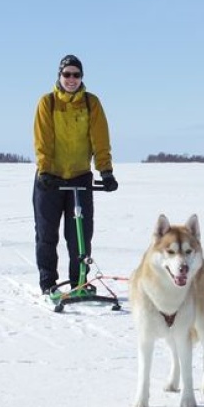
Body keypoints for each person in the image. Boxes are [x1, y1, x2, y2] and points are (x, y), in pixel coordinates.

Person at [33, 54, 118, 294]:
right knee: (47, 235)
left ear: (82, 77)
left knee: (80, 236)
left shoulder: (91, 103)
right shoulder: (47, 103)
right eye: (67, 74)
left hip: (80, 178)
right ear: (59, 76)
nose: (71, 79)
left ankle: (79, 281)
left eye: (76, 75)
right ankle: (48, 283)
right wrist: (45, 169)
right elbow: (43, 140)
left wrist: (106, 171)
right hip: (50, 179)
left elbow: (100, 139)